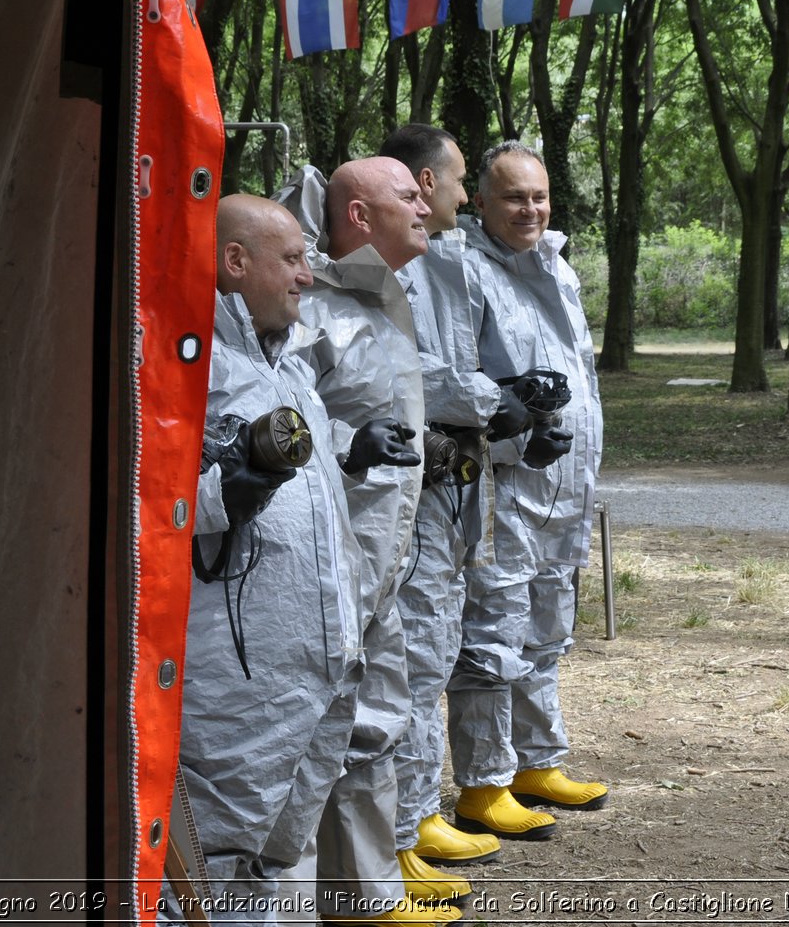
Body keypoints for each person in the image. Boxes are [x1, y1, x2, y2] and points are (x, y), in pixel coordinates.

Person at [169, 194, 365, 927]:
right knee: (214, 861)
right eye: (292, 259)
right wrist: (224, 494)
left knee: (270, 860)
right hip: (236, 687)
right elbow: (138, 500)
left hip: (316, 671)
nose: (307, 277)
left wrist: (351, 453)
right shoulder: (182, 363)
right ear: (235, 261)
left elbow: (306, 496)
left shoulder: (288, 368)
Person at [279, 157, 457, 927]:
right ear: (358, 216)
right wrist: (350, 441)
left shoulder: (386, 300)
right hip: (324, 571)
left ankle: (365, 897)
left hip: (383, 562)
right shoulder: (311, 307)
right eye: (408, 197)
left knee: (377, 718)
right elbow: (276, 416)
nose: (424, 207)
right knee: (315, 733)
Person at [378, 126, 531, 894]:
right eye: (462, 179)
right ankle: (397, 833)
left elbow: (458, 363)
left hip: (449, 480)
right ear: (422, 183)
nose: (467, 197)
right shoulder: (389, 270)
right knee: (407, 661)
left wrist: (512, 403)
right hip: (409, 488)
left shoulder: (445, 262)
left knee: (437, 647)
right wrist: (488, 399)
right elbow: (409, 371)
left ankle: (416, 813)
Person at [446, 142, 607, 842]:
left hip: (566, 487)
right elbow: (453, 390)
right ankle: (482, 783)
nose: (530, 209)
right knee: (493, 631)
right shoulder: (462, 272)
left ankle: (534, 761)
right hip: (502, 487)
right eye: (514, 197)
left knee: (549, 625)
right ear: (481, 202)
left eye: (538, 196)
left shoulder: (560, 269)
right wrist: (514, 442)